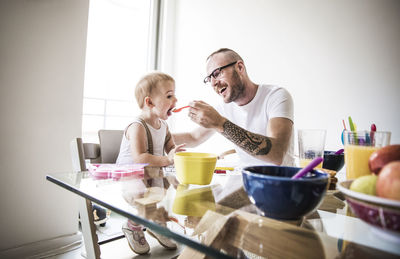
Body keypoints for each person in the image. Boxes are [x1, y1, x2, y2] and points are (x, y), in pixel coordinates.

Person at [173, 48, 295, 166]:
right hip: (248, 180)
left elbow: (277, 154)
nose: (213, 83)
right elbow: (193, 138)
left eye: (217, 73)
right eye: (209, 78)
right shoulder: (223, 109)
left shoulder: (275, 96)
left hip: (282, 182)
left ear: (240, 67)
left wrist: (220, 123)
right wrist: (156, 132)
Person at [116, 72, 185, 254]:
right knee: (142, 198)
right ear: (149, 102)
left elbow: (171, 148)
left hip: (151, 171)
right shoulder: (137, 125)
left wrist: (176, 155)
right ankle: (133, 226)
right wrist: (167, 159)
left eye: (174, 95)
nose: (175, 99)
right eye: (169, 96)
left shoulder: (164, 126)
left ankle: (156, 224)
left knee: (164, 192)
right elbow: (139, 158)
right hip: (131, 174)